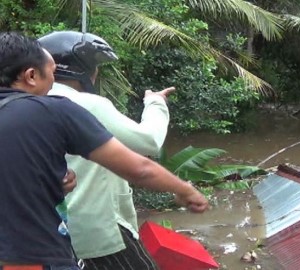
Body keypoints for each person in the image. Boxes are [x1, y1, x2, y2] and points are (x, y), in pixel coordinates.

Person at [0, 32, 208, 270]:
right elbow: (143, 159)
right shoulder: (60, 108)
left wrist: (50, 185)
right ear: (32, 75)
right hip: (72, 240)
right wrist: (184, 189)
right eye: (51, 72)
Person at [39, 30, 171, 270]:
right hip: (99, 226)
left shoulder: (25, 104)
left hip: (50, 228)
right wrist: (156, 103)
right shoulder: (87, 105)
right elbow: (149, 141)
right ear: (82, 69)